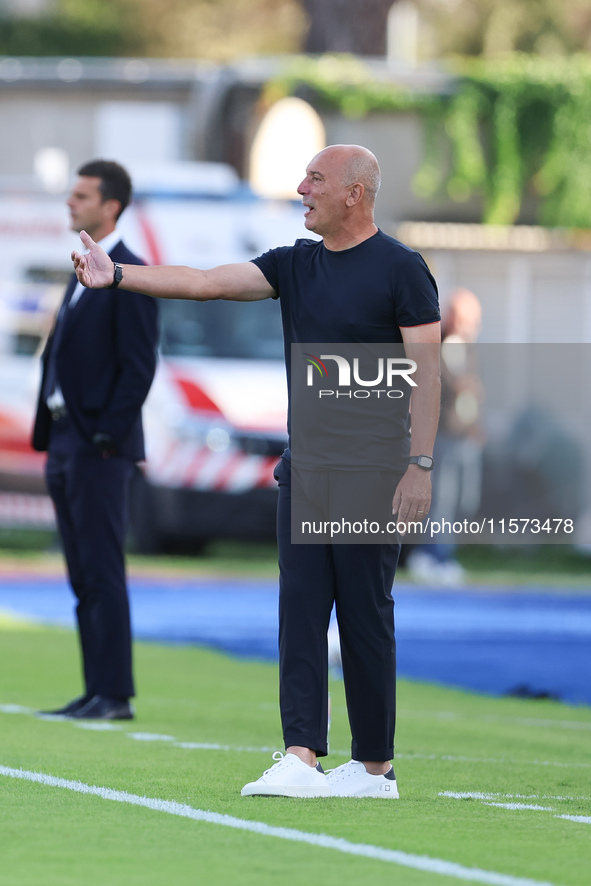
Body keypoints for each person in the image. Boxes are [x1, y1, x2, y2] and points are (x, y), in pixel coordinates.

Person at [71, 144, 441, 794]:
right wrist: (119, 276)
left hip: (373, 475)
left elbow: (428, 374)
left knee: (364, 614)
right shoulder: (294, 265)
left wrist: (419, 466)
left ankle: (374, 767)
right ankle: (300, 755)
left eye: (315, 179)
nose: (301, 188)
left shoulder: (401, 269)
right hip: (305, 473)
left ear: (354, 193)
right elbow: (207, 282)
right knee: (298, 611)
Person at [33, 159, 159, 721]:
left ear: (110, 206)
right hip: (65, 442)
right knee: (82, 572)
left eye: (81, 195)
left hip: (99, 447)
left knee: (103, 568)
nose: (70, 202)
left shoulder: (130, 272)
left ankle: (116, 693)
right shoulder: (81, 270)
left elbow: (138, 366)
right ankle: (95, 689)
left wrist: (107, 433)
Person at [406, 287, 483, 585]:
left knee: (464, 500)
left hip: (465, 437)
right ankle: (435, 555)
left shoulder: (468, 349)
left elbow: (470, 396)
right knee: (442, 499)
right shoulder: (437, 347)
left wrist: (476, 423)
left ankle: (438, 552)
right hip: (442, 435)